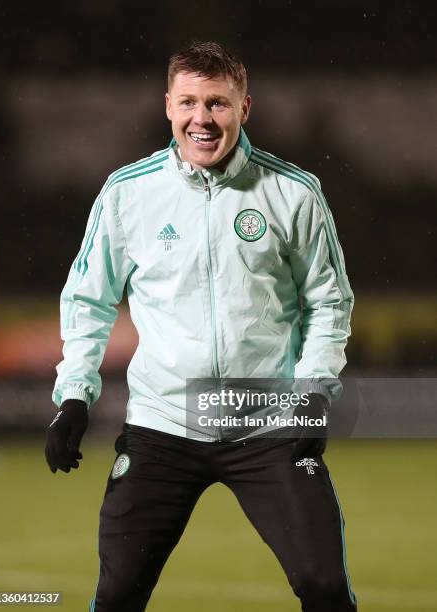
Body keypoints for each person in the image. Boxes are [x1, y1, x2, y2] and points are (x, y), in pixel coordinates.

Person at [45, 41, 357, 612]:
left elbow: (328, 301)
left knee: (325, 586)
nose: (202, 119)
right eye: (189, 102)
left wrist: (313, 390)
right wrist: (73, 396)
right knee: (116, 595)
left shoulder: (294, 192)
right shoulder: (127, 194)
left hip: (266, 424)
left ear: (244, 109)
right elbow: (88, 300)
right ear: (168, 106)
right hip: (162, 426)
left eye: (217, 103)